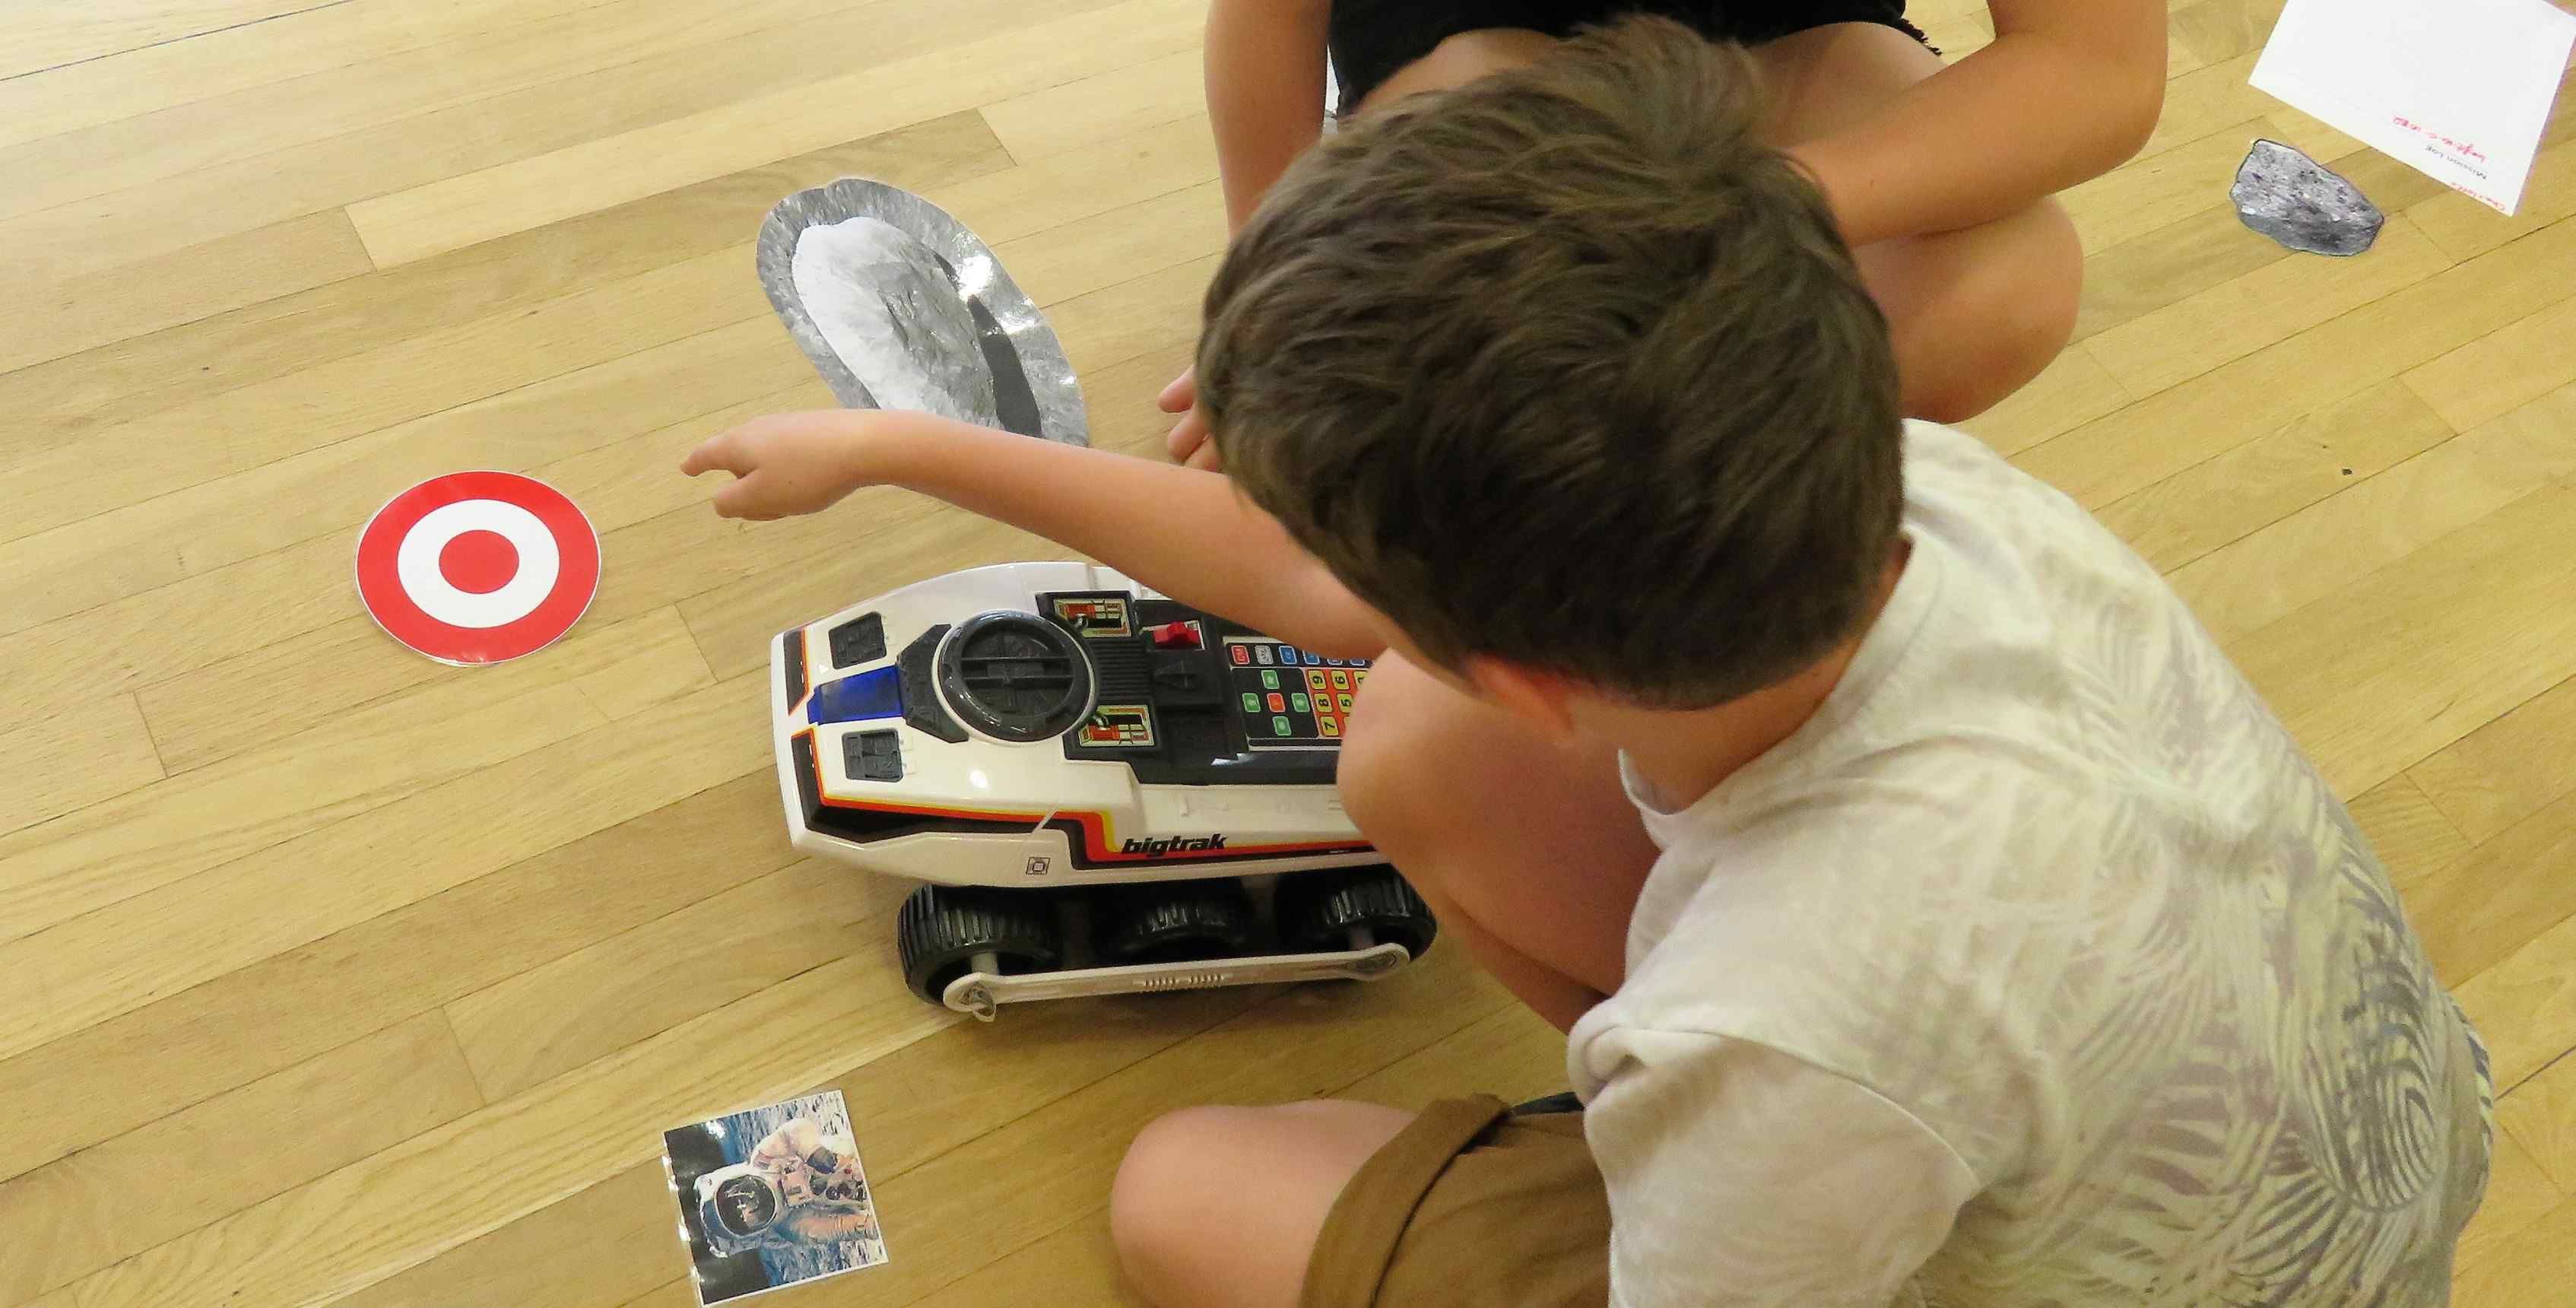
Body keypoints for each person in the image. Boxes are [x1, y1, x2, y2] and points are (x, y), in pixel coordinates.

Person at [681, 20, 2488, 1306]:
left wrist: (1703, 1153)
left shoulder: (1777, 1037)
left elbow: (1310, 600)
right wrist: (896, 449)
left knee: (1184, 1197)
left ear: (1525, 672)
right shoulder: (1934, 479)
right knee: (1405, 760)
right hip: (2322, 1150)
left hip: (1951, 1197)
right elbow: (1317, 597)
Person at [1156, 0, 2162, 468]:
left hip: (1788, 36)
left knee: (1999, 291)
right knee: (1469, 315)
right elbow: (1268, 13)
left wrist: (1766, 197)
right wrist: (1270, 280)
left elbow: (2096, 67)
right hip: (1483, 32)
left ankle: (1693, 526)